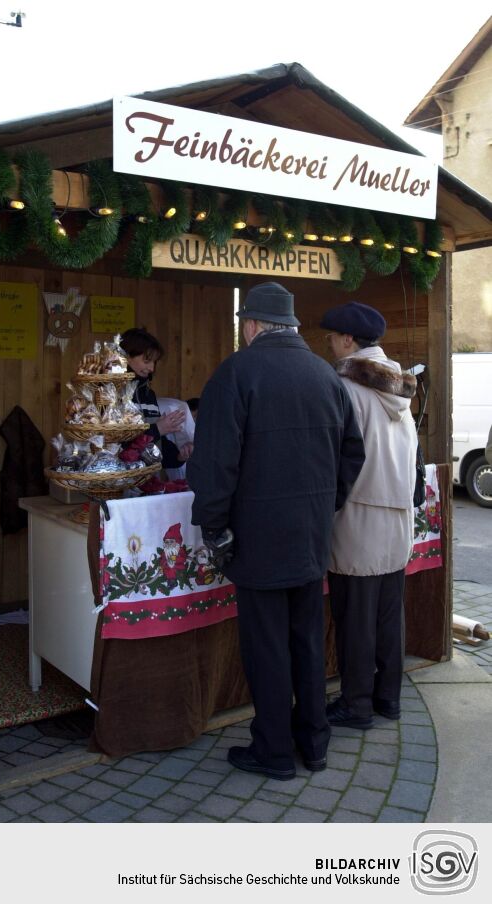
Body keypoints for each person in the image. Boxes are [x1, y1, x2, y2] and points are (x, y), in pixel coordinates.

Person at [187, 282, 366, 781]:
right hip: (310, 536)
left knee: (267, 646)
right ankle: (314, 744)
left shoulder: (236, 373)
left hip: (257, 539)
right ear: (290, 325)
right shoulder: (326, 377)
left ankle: (273, 751)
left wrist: (215, 528)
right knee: (307, 640)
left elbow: (214, 464)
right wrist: (325, 506)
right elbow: (353, 454)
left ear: (251, 325)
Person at [319, 301, 418, 730]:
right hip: (396, 514)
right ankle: (387, 699)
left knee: (355, 616)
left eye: (330, 337)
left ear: (346, 340)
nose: (327, 344)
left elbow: (339, 459)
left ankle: (357, 705)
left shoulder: (345, 387)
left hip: (359, 513)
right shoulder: (399, 386)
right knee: (387, 614)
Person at [119, 328, 193, 471]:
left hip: (147, 485)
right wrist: (157, 429)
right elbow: (115, 446)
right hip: (117, 486)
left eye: (154, 362)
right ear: (126, 356)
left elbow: (156, 445)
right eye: (147, 360)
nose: (152, 368)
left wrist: (179, 455)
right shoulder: (108, 394)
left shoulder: (147, 393)